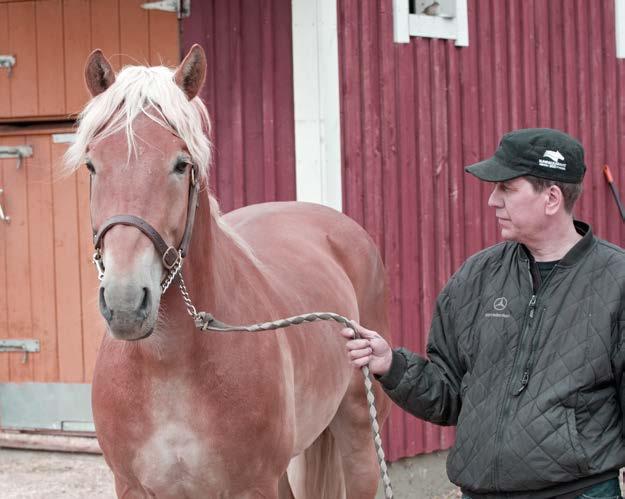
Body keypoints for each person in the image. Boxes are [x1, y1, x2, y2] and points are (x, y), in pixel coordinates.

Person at [342, 128, 625, 499]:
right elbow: (448, 396)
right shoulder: (476, 278)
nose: (492, 200)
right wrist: (391, 365)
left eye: (506, 188)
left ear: (552, 197)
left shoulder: (616, 281)